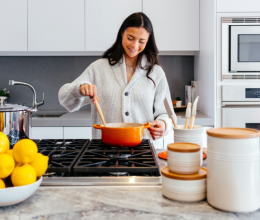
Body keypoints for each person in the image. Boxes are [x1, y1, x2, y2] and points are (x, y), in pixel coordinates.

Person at [58, 12, 176, 148]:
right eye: (130, 38)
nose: (135, 45)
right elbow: (64, 98)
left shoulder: (156, 72)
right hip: (104, 152)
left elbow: (166, 113)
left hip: (143, 153)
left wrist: (163, 124)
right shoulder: (99, 68)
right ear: (122, 34)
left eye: (141, 41)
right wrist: (79, 88)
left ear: (148, 41)